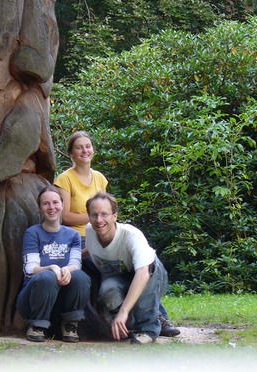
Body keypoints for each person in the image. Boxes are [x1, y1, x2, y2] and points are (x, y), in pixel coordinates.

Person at [55, 131, 180, 337]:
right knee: (109, 277)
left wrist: (101, 218)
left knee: (138, 270)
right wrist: (97, 218)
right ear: (71, 153)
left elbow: (105, 206)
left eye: (88, 146)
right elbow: (65, 216)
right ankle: (118, 317)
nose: (85, 150)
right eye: (79, 147)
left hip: (104, 236)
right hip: (81, 239)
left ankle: (157, 317)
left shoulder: (99, 178)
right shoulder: (65, 179)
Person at [84, 192, 169, 344]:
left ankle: (148, 330)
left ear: (114, 216)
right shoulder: (90, 230)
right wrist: (70, 261)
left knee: (143, 287)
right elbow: (90, 250)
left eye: (104, 214)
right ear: (89, 216)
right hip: (121, 276)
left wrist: (123, 311)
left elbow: (143, 273)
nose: (99, 220)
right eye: (94, 215)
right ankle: (144, 320)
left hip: (150, 273)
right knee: (107, 292)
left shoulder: (131, 236)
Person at [16, 186, 91, 343]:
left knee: (80, 277)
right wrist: (51, 268)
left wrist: (66, 270)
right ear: (40, 208)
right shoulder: (32, 233)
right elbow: (29, 269)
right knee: (48, 277)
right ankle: (37, 326)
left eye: (55, 202)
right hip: (34, 301)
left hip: (62, 301)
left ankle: (70, 325)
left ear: (63, 205)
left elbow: (76, 263)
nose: (51, 207)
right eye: (46, 203)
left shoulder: (73, 235)